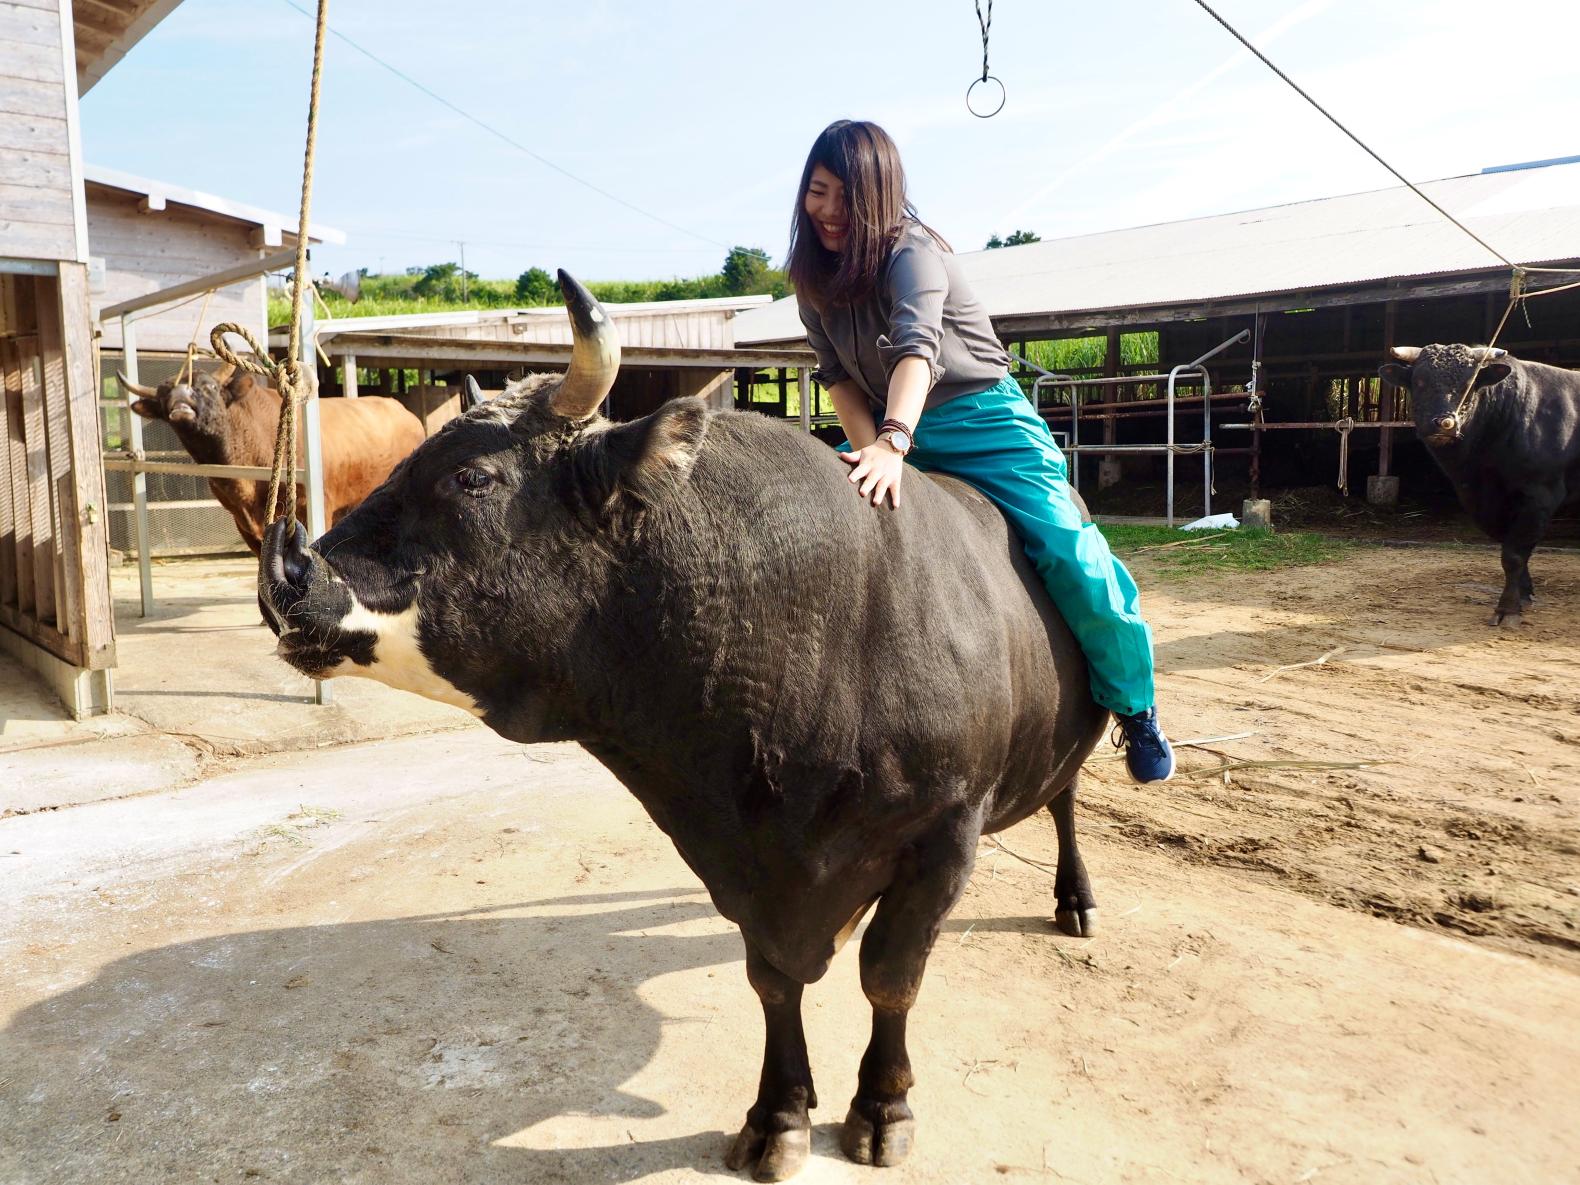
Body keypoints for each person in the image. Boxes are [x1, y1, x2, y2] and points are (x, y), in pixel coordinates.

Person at [789, 119, 1175, 784]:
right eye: (816, 192)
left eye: (843, 198)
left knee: (1069, 550)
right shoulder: (813, 280)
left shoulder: (913, 254)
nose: (826, 211)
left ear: (877, 197)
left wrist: (894, 442)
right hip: (889, 432)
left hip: (980, 422)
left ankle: (1135, 707)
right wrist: (871, 458)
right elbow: (840, 382)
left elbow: (918, 351)